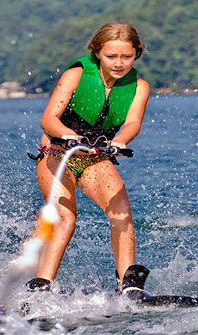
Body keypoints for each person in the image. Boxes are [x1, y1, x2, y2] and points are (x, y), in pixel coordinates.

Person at [25, 22, 150, 295]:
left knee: (122, 214)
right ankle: (40, 288)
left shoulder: (139, 87)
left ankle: (128, 289)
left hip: (94, 158)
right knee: (65, 218)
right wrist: (69, 135)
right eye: (111, 57)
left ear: (136, 54)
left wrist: (120, 141)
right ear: (97, 53)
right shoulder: (76, 75)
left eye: (126, 57)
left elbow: (133, 122)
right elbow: (48, 120)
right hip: (58, 152)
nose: (119, 63)